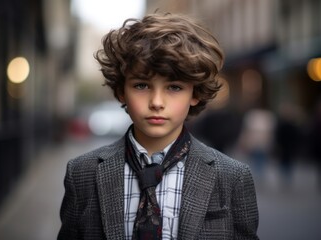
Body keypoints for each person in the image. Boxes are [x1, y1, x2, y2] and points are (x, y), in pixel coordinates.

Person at [58, 13, 259, 240]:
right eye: (142, 85)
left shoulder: (232, 177)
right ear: (121, 91)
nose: (156, 102)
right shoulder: (82, 172)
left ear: (195, 93)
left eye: (174, 87)